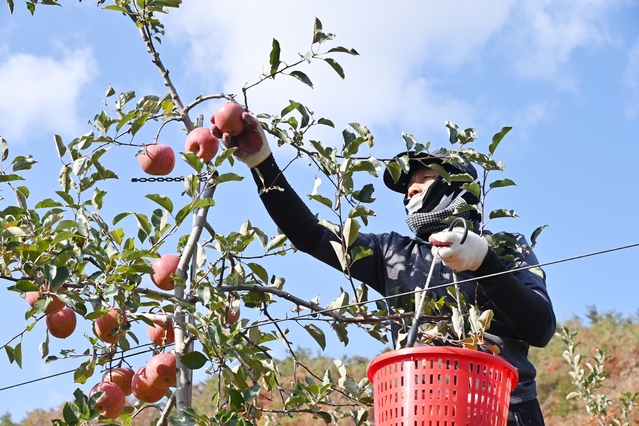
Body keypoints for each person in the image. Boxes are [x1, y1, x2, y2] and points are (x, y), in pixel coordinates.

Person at [212, 112, 556, 426]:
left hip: (505, 411)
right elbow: (309, 234)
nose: (411, 192)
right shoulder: (393, 254)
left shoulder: (505, 246)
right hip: (420, 413)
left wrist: (484, 261)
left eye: (423, 178)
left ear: (457, 184)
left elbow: (539, 328)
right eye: (407, 189)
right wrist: (262, 164)